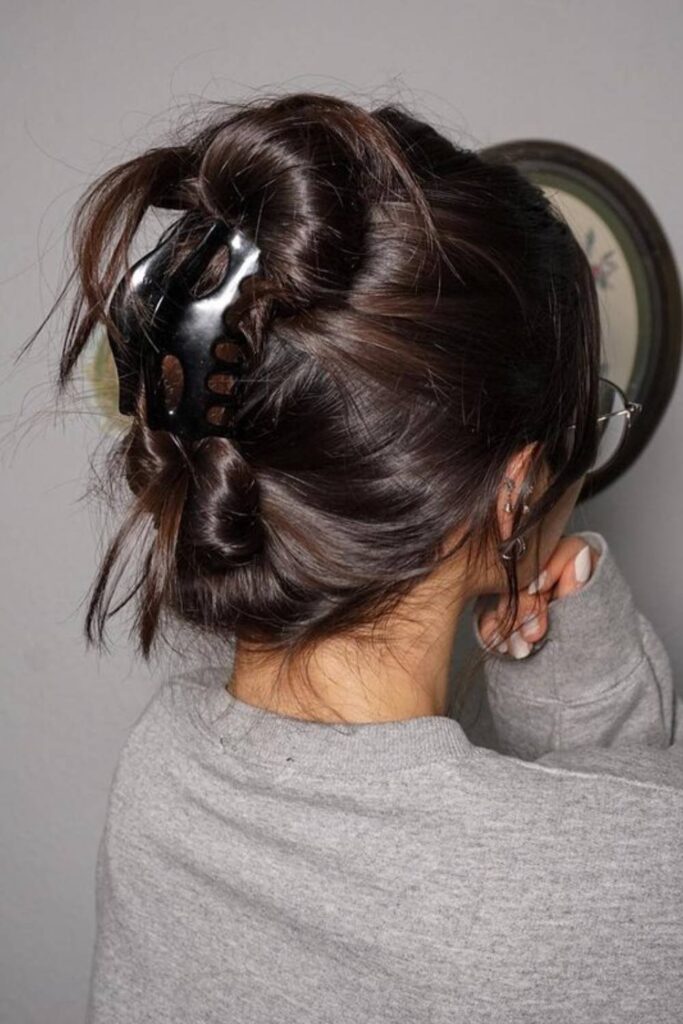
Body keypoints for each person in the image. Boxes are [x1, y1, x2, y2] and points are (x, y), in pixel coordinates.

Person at [25, 91, 682, 1022]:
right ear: (514, 489)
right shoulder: (626, 876)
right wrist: (588, 694)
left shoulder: (164, 778)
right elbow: (618, 861)